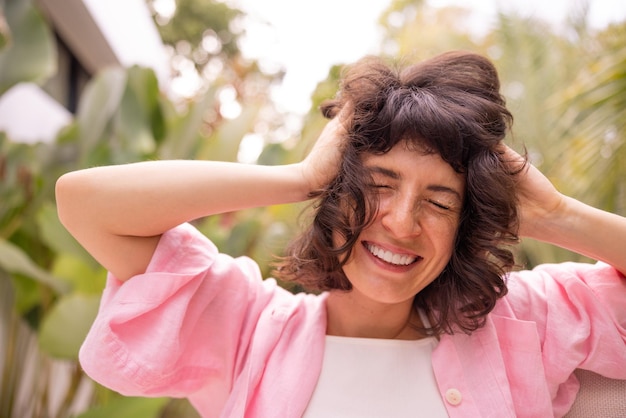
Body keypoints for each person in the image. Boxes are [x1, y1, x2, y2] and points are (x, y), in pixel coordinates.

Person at [55, 50, 626, 418]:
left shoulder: (520, 324)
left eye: (439, 200)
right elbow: (84, 202)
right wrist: (299, 177)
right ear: (337, 193)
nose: (402, 223)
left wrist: (556, 214)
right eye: (379, 186)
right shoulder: (249, 327)